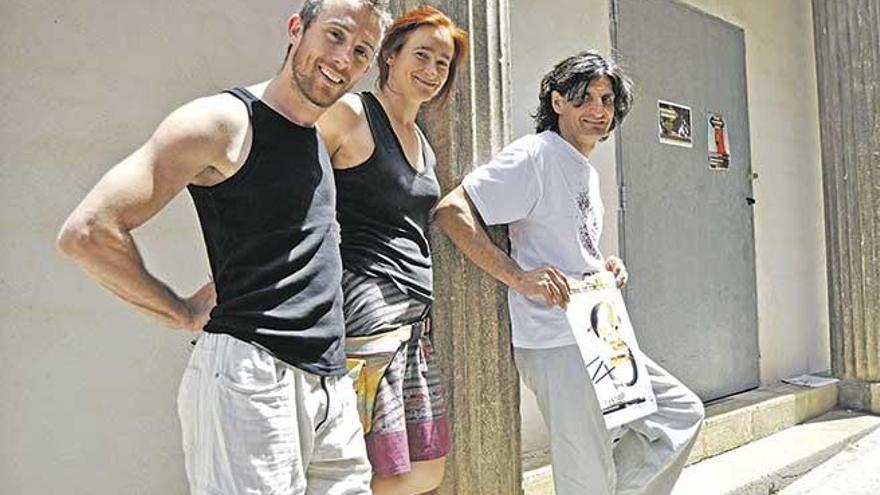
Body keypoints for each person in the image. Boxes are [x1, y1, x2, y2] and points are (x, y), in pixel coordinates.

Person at [55, 1, 390, 493]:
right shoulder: (223, 122)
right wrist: (180, 310)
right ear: (296, 29)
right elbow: (87, 232)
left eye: (361, 50)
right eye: (335, 35)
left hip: (330, 385)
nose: (344, 57)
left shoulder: (317, 137)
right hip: (253, 379)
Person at [435, 50, 705, 495]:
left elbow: (567, 241)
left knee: (679, 415)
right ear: (557, 101)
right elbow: (452, 211)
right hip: (556, 340)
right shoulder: (536, 155)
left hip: (600, 334)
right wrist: (517, 276)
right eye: (584, 98)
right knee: (586, 470)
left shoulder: (581, 167)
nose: (598, 111)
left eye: (606, 100)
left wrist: (604, 264)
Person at [317, 6, 467, 494]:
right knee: (369, 463)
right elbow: (291, 187)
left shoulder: (424, 142)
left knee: (423, 465)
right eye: (421, 55)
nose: (431, 71)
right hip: (368, 312)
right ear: (390, 56)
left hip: (412, 321)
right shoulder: (352, 115)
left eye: (442, 64)